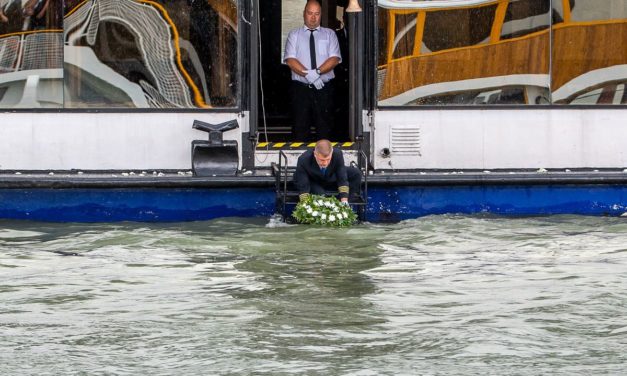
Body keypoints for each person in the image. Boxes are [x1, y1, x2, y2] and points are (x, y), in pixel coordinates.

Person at [283, 0, 341, 141]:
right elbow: (290, 60)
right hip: (301, 90)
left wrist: (318, 73)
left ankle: (325, 161)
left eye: (317, 14)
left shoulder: (330, 34)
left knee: (325, 127)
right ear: (304, 14)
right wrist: (310, 76)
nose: (313, 17)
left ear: (321, 15)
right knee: (300, 127)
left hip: (324, 89)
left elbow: (334, 58)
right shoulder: (294, 35)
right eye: (310, 13)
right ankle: (301, 161)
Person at [294, 139, 361, 204]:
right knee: (321, 195)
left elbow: (342, 177)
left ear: (331, 153)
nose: (325, 163)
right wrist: (305, 204)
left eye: (328, 159)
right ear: (315, 154)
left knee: (356, 173)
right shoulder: (303, 159)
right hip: (312, 181)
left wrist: (344, 200)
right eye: (322, 160)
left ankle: (342, 206)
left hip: (330, 177)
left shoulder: (337, 154)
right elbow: (303, 185)